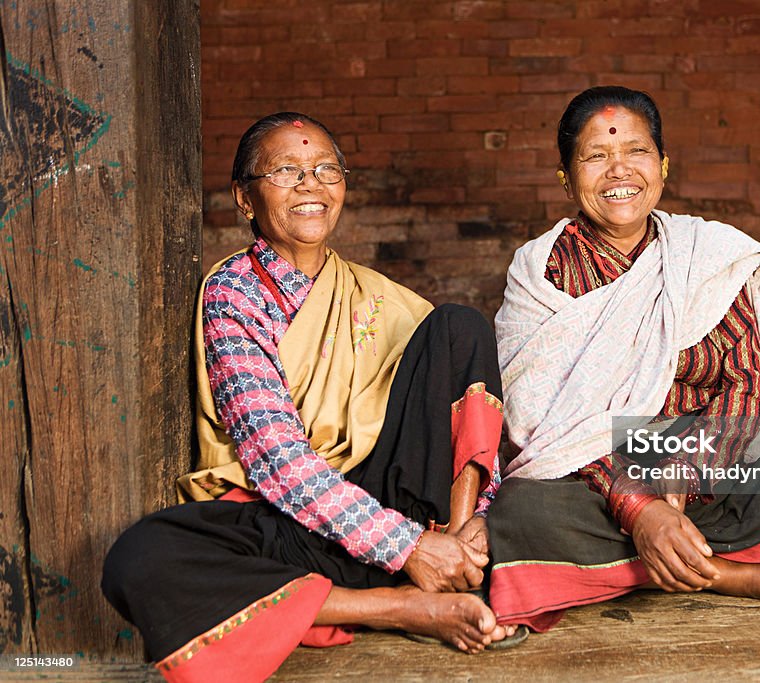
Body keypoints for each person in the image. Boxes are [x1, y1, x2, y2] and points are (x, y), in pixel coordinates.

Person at [102, 112, 518, 683]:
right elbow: (279, 463)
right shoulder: (233, 293)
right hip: (299, 520)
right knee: (141, 558)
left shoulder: (379, 299)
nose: (311, 184)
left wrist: (459, 535)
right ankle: (404, 606)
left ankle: (455, 558)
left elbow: (449, 416)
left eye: (326, 169)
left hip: (406, 513)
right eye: (287, 171)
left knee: (459, 327)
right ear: (245, 199)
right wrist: (407, 549)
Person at [486, 86, 760, 632]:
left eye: (636, 152)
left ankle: (650, 561)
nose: (619, 170)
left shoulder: (706, 255)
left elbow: (747, 385)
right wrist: (639, 507)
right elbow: (535, 423)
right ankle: (735, 574)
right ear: (567, 179)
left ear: (663, 165)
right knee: (522, 513)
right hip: (589, 482)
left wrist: (680, 476)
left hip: (703, 474)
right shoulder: (541, 272)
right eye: (596, 156)